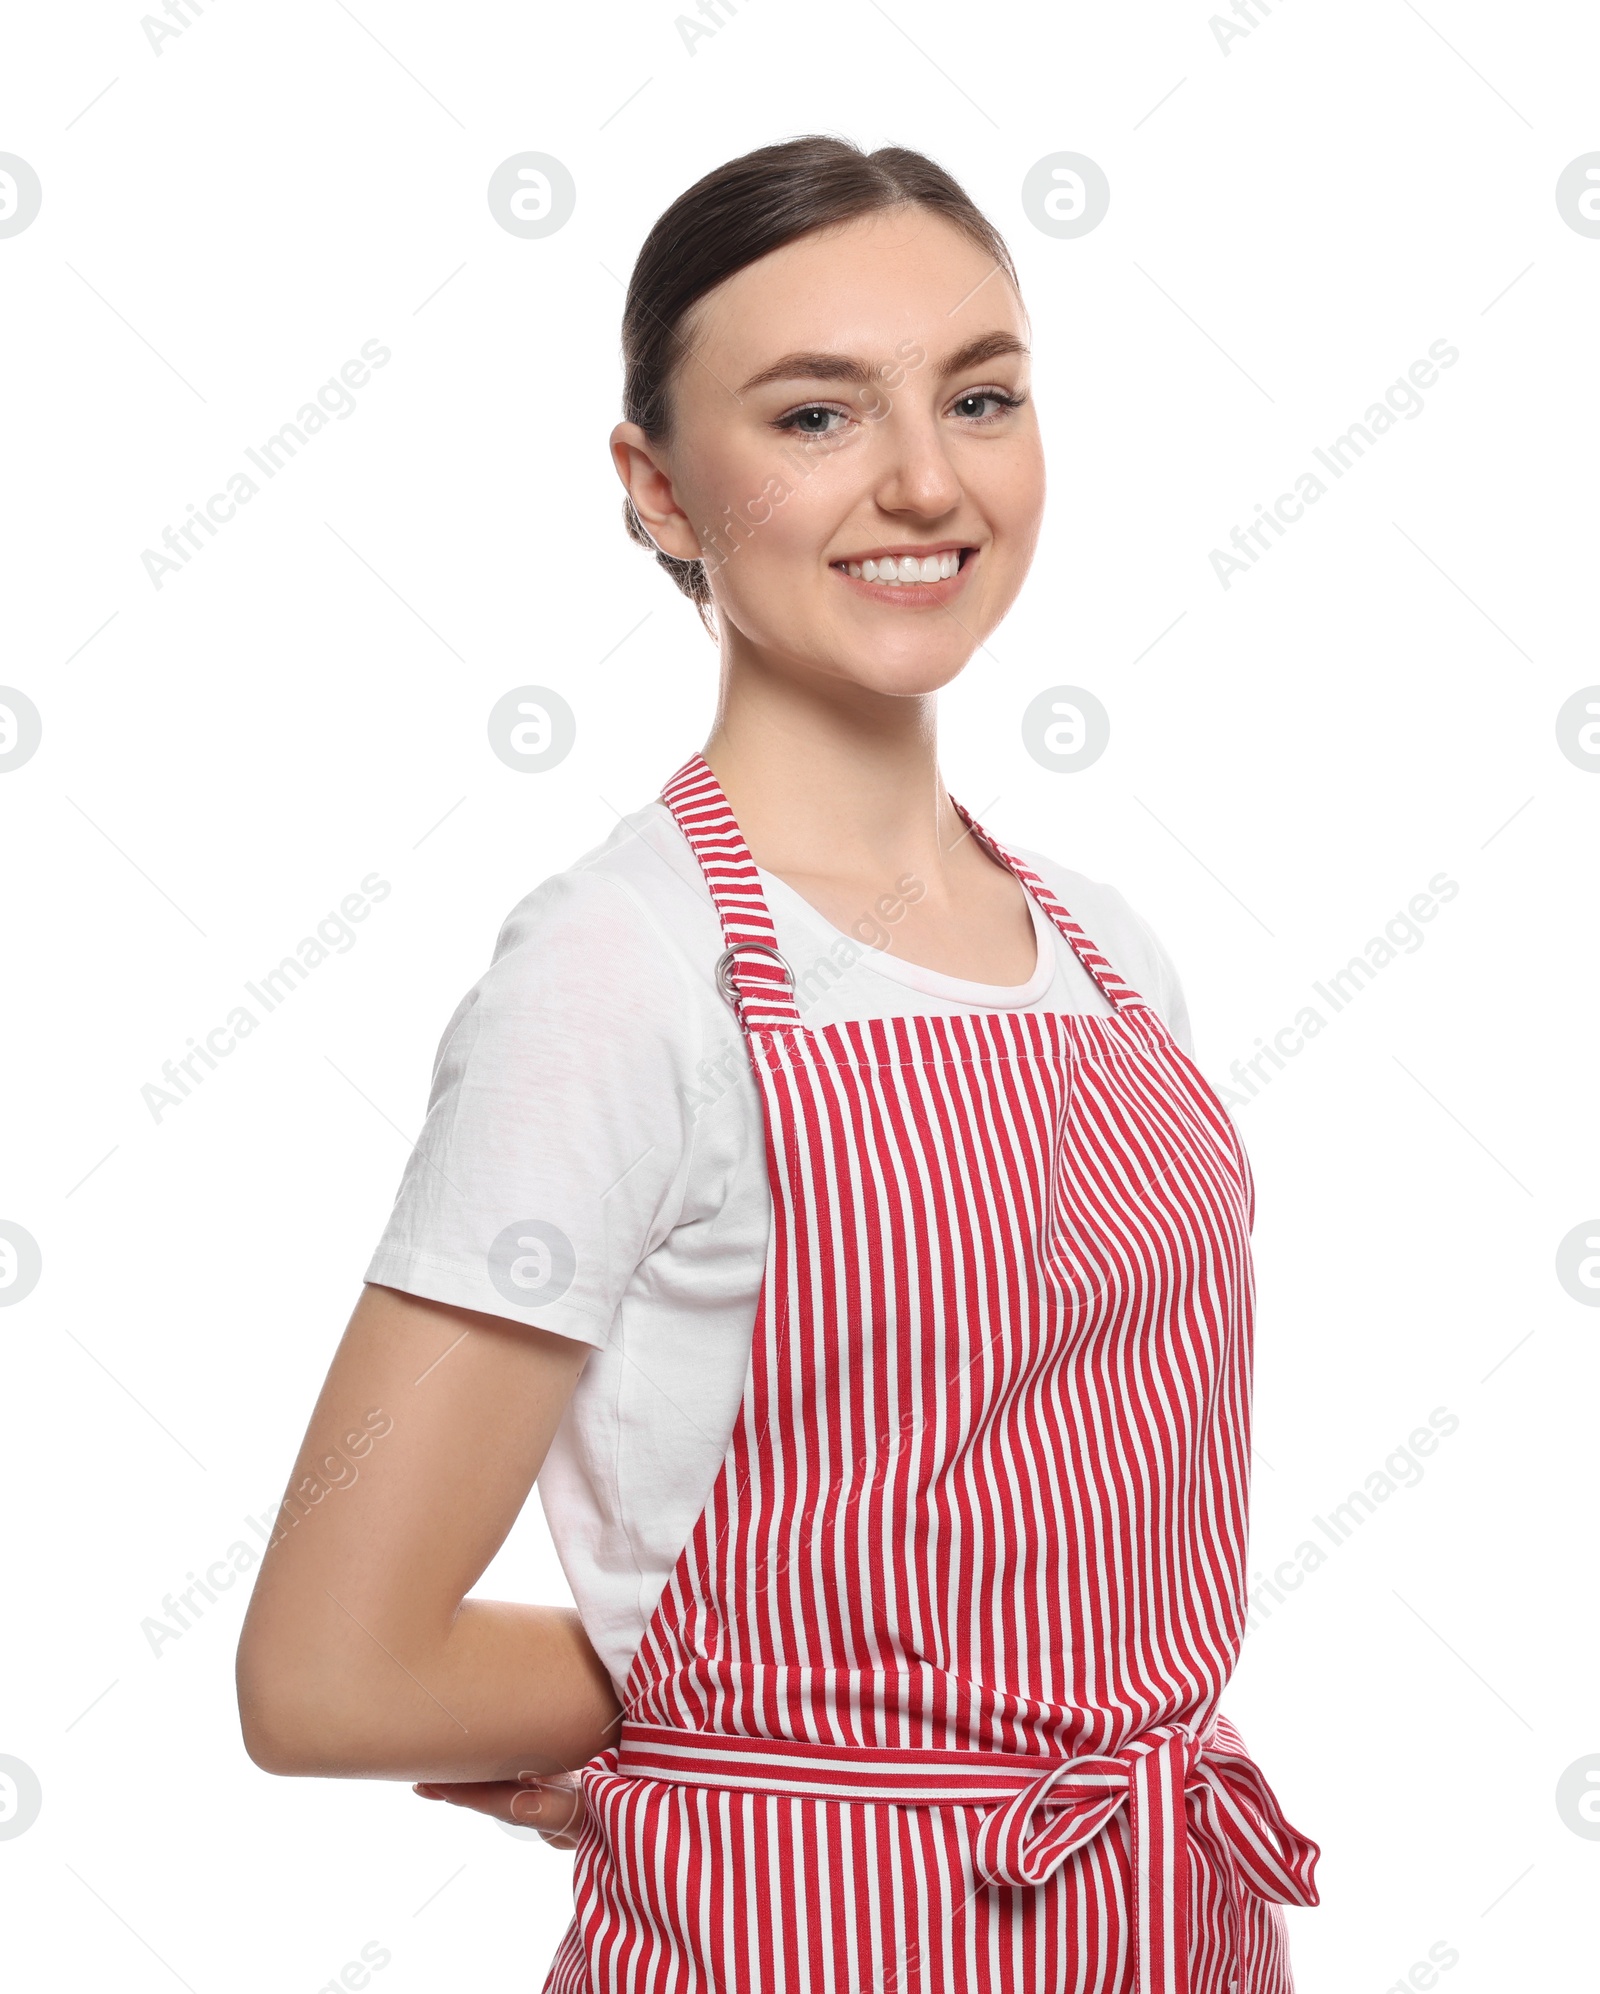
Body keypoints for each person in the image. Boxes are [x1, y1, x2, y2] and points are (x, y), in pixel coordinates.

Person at [235, 133, 1321, 1992]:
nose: (924, 478)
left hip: (1168, 1921)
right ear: (659, 492)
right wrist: (746, 1726)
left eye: (980, 395)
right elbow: (331, 1665)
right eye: (815, 415)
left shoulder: (1109, 948)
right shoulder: (618, 974)